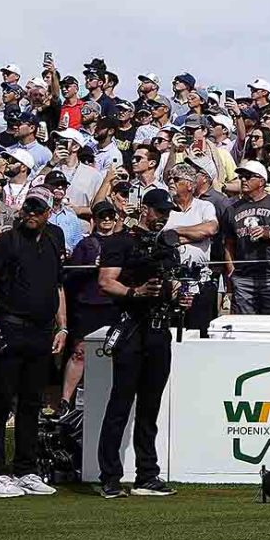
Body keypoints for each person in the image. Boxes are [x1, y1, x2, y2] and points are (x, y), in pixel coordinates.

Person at [96, 189, 193, 498]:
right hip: (131, 329)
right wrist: (135, 292)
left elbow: (173, 282)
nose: (163, 217)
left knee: (150, 407)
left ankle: (147, 475)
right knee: (120, 404)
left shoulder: (167, 245)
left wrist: (181, 296)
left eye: (167, 213)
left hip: (159, 330)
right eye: (159, 211)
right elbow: (105, 281)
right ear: (145, 209)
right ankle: (109, 477)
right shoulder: (120, 242)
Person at [0, 186, 67, 498]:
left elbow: (58, 287)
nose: (31, 213)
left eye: (38, 208)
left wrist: (63, 328)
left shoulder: (55, 239)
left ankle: (26, 470)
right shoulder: (6, 241)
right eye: (28, 207)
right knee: (1, 401)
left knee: (32, 402)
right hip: (10, 328)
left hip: (42, 331)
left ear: (48, 212)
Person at [59, 201, 122, 417]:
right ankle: (65, 400)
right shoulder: (86, 245)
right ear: (94, 219)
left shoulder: (124, 243)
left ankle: (109, 397)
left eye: (110, 216)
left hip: (114, 305)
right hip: (88, 305)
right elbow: (70, 276)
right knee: (80, 353)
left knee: (115, 352)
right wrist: (91, 268)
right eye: (102, 216)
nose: (107, 220)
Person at [221, 161, 270, 315]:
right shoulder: (232, 209)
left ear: (261, 181)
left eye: (248, 177)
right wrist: (231, 271)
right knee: (244, 327)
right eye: (241, 176)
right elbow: (229, 244)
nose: (243, 180)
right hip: (243, 278)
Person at [163, 163, 220, 331]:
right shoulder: (166, 210)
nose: (170, 182)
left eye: (176, 179)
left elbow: (210, 229)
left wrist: (176, 232)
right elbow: (163, 239)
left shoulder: (204, 207)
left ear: (189, 184)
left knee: (200, 334)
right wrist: (195, 235)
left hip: (200, 282)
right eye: (168, 179)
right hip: (171, 284)